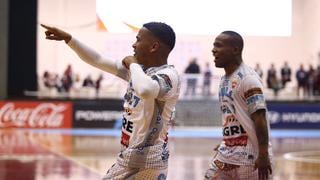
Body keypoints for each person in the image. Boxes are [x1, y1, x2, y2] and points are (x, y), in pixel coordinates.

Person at [41, 22, 180, 180]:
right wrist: (70, 40)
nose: (133, 45)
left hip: (143, 161)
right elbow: (98, 60)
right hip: (137, 158)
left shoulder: (169, 76)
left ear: (153, 47)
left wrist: (133, 64)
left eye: (139, 40)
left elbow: (146, 90)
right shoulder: (138, 72)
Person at [204, 31, 272, 180]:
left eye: (218, 46)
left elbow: (260, 118)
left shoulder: (248, 79)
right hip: (227, 152)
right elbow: (234, 116)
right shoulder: (224, 79)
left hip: (249, 157)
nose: (213, 50)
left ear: (235, 49)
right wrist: (228, 140)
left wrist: (263, 155)